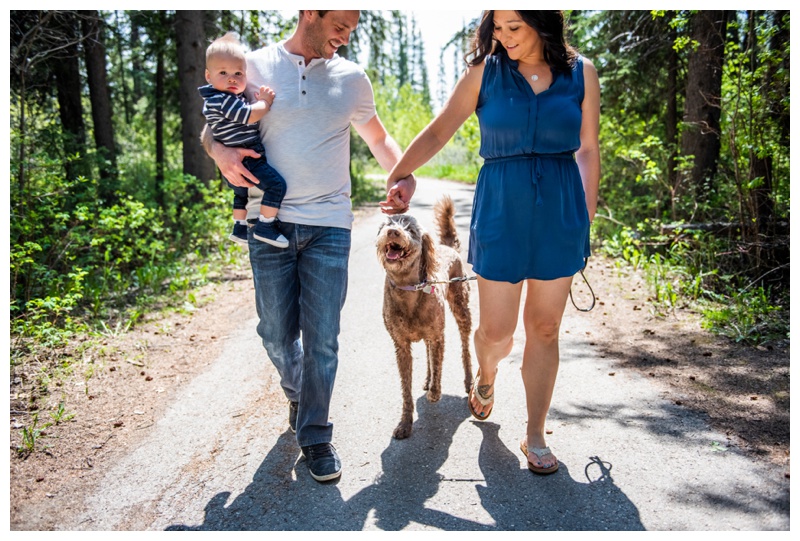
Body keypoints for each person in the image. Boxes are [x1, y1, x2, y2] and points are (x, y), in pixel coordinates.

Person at [381, 10, 600, 475]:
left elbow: (587, 150)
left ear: (542, 21)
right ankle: (487, 374)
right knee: (496, 332)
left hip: (560, 210)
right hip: (501, 207)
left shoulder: (583, 73)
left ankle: (535, 433)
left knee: (544, 327)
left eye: (513, 28)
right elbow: (442, 128)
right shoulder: (485, 72)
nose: (503, 37)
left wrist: (585, 217)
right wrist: (400, 173)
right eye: (496, 28)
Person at [202, 10, 413, 483]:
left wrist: (402, 174)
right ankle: (298, 390)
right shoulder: (252, 66)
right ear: (309, 13)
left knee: (323, 339)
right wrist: (220, 152)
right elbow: (211, 125)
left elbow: (377, 137)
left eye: (353, 29)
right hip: (267, 221)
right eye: (339, 23)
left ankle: (315, 433)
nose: (345, 35)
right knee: (275, 332)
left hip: (330, 225)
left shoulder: (352, 78)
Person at [199, 32, 289, 248]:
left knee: (241, 194)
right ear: (208, 76)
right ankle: (266, 225)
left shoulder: (213, 99)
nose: (232, 78)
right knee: (276, 186)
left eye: (238, 73)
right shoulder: (223, 100)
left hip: (234, 161)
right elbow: (248, 115)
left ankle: (239, 227)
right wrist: (265, 103)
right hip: (248, 157)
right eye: (223, 72)